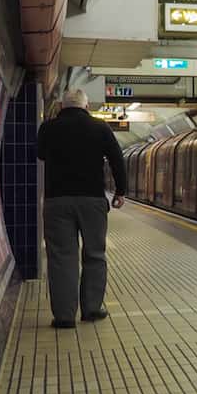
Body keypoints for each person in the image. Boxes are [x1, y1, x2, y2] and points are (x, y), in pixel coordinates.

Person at [37, 89, 126, 328]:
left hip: (57, 201)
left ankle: (65, 317)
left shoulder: (48, 128)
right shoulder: (100, 128)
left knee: (62, 257)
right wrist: (121, 192)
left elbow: (41, 154)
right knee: (95, 254)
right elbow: (117, 159)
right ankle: (91, 309)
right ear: (86, 107)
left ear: (62, 106)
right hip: (92, 201)